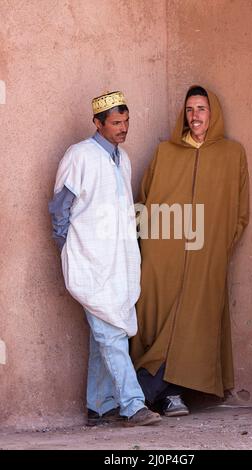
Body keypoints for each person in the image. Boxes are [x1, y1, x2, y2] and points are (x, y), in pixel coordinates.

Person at [130, 85, 250, 417]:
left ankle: (149, 395)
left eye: (201, 109)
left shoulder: (232, 154)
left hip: (205, 257)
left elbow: (240, 212)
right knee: (156, 322)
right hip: (162, 257)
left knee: (192, 323)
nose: (194, 116)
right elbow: (145, 198)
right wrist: (152, 247)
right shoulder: (166, 153)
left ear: (213, 113)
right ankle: (162, 396)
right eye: (189, 109)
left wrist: (219, 246)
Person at [49, 91, 161, 427]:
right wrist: (73, 250)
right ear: (98, 123)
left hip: (117, 261)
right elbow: (59, 209)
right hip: (90, 261)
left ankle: (98, 405)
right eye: (115, 123)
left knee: (106, 333)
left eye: (126, 122)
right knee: (110, 332)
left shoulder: (122, 159)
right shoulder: (79, 155)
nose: (122, 128)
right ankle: (133, 404)